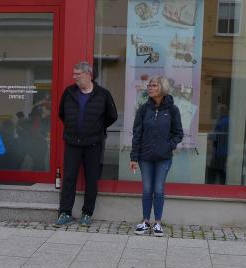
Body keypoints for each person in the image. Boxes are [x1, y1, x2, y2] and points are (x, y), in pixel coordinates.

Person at [55, 61, 118, 227]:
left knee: (91, 179)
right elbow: (62, 114)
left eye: (78, 74)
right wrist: (73, 128)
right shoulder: (69, 92)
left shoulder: (103, 94)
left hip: (93, 144)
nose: (74, 77)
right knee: (69, 178)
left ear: (89, 75)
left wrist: (97, 129)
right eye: (74, 74)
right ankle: (65, 212)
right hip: (72, 142)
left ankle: (87, 214)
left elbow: (112, 116)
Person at [129, 76, 183, 236]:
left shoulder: (173, 110)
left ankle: (158, 223)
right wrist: (133, 157)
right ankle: (145, 221)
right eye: (149, 85)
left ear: (162, 88)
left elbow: (178, 133)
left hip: (163, 158)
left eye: (153, 85)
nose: (150, 88)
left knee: (158, 189)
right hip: (145, 157)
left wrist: (168, 146)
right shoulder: (143, 109)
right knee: (147, 189)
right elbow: (137, 134)